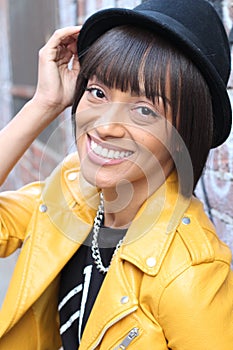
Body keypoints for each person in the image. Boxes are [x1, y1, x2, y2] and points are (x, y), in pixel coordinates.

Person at [0, 0, 232, 349]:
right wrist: (42, 105)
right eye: (98, 92)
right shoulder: (71, 192)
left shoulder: (191, 272)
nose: (106, 126)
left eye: (144, 110)